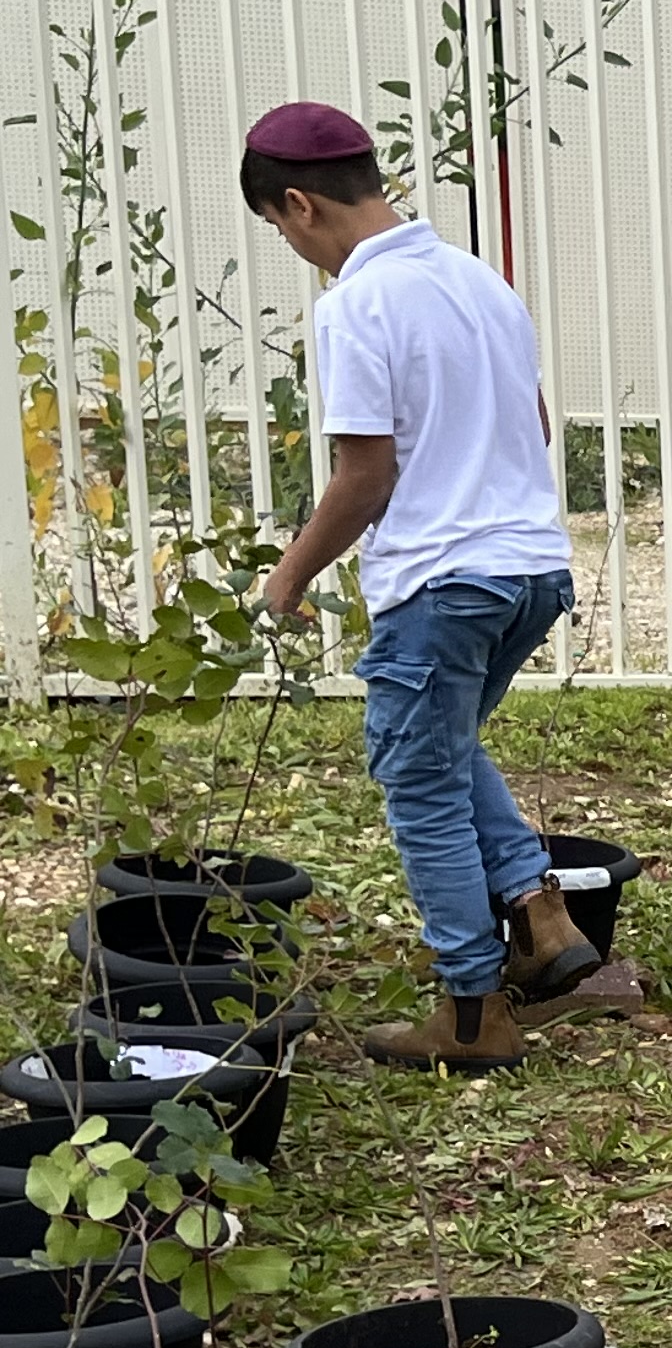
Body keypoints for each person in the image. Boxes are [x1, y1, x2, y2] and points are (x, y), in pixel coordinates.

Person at [243, 101, 598, 1072]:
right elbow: (536, 426)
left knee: (418, 786)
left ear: (300, 205)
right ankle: (542, 917)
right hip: (530, 569)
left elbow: (366, 478)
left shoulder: (356, 303)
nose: (293, 247)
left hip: (441, 583)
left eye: (280, 229)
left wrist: (284, 582)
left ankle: (474, 1015)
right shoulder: (482, 283)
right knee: (440, 749)